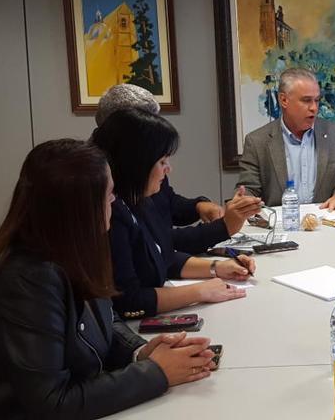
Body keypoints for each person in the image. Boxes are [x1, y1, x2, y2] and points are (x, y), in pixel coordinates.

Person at [0, 139, 217, 419]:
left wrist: (141, 353)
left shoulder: (69, 250)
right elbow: (53, 403)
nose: (114, 202)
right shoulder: (25, 279)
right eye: (108, 195)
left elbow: (106, 317)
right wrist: (156, 373)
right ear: (81, 209)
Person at [92, 109, 263, 318]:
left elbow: (161, 256)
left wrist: (216, 268)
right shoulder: (111, 214)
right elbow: (128, 300)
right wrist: (200, 291)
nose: (168, 169)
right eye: (162, 162)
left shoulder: (139, 200)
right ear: (137, 164)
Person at [97, 83, 225, 224]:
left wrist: (198, 205)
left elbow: (166, 202)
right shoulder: (99, 175)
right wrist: (221, 229)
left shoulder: (148, 161)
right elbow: (161, 238)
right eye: (148, 123)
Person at [237, 67, 335, 210]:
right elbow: (249, 189)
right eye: (306, 100)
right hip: (281, 225)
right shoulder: (257, 141)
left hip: (326, 223)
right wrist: (243, 200)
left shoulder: (334, 133)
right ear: (284, 100)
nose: (314, 108)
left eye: (317, 100)